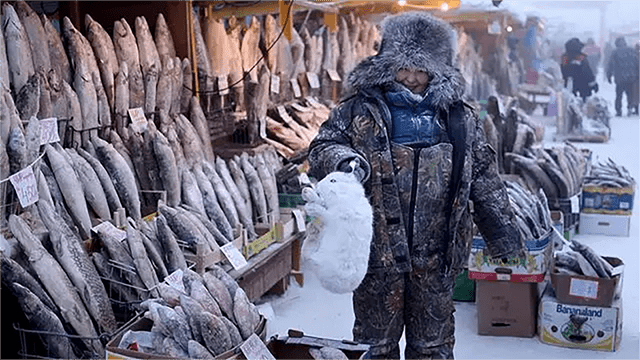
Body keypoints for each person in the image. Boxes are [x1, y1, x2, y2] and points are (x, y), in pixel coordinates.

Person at [307, 12, 525, 359]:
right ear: (387, 64)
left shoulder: (459, 117)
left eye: (421, 70)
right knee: (374, 347)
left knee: (432, 348)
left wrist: (504, 236)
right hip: (377, 253)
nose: (410, 78)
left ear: (438, 70)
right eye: (402, 68)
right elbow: (321, 147)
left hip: (437, 256)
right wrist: (342, 161)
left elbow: (483, 175)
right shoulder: (359, 109)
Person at [606, 36, 640, 116]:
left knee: (619, 95)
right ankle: (630, 108)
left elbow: (610, 64)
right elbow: (637, 63)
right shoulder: (632, 50)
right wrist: (637, 74)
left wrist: (609, 75)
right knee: (630, 94)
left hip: (619, 77)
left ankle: (619, 110)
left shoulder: (615, 52)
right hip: (631, 76)